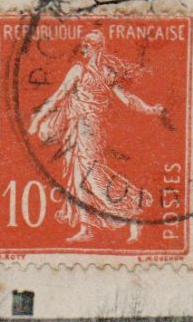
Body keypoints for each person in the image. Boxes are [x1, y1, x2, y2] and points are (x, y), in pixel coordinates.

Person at [28, 30, 166, 243]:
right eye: (84, 45)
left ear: (95, 47)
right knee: (77, 178)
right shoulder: (83, 70)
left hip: (90, 127)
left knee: (94, 176)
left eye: (87, 45)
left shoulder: (101, 72)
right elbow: (59, 96)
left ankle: (133, 211)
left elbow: (127, 99)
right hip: (77, 127)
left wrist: (150, 109)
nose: (83, 48)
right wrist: (37, 120)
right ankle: (87, 228)